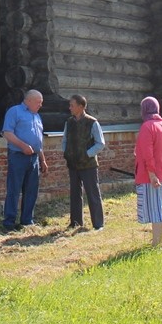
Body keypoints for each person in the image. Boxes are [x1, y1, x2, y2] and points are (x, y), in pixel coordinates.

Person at [134, 95, 162, 248]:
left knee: (157, 213)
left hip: (151, 178)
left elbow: (148, 153)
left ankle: (155, 246)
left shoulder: (147, 127)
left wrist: (152, 175)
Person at [1, 89, 47, 231]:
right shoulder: (15, 111)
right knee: (14, 189)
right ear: (29, 100)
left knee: (31, 190)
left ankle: (27, 220)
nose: (40, 105)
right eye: (38, 102)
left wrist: (42, 159)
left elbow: (38, 141)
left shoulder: (37, 116)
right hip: (18, 156)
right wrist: (23, 146)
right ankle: (9, 222)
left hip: (33, 158)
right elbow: (7, 133)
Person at [62, 93, 105, 231]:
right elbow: (64, 140)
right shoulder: (69, 122)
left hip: (88, 165)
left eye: (72, 105)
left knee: (93, 193)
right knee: (74, 194)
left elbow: (100, 143)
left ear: (81, 107)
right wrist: (66, 153)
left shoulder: (93, 122)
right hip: (73, 164)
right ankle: (75, 222)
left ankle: (98, 224)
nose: (70, 108)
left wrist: (87, 154)